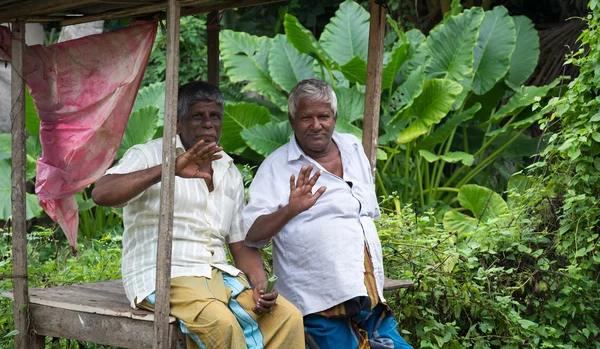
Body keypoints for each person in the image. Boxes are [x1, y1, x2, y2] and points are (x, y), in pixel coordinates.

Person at [92, 81, 304, 349]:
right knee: (221, 324)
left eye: (214, 116)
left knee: (287, 317)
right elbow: (102, 193)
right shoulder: (149, 154)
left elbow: (239, 245)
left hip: (220, 277)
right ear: (178, 123)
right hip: (166, 274)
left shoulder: (229, 172)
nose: (208, 124)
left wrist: (261, 285)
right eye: (197, 116)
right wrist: (170, 168)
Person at [243, 78, 413, 349]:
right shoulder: (276, 167)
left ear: (334, 117)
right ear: (291, 120)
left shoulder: (353, 148)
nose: (316, 125)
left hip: (367, 294)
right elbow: (251, 234)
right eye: (305, 117)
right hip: (318, 302)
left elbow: (363, 215)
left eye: (323, 116)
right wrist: (291, 210)